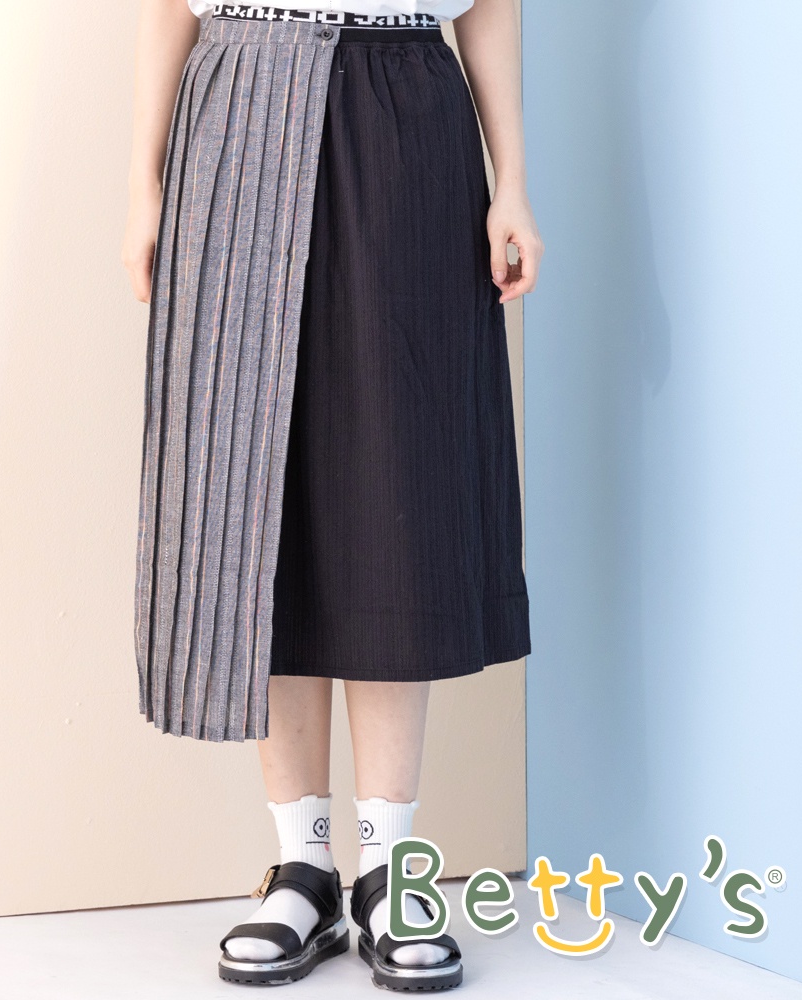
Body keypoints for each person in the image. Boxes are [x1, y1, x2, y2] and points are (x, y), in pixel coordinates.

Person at [122, 0, 543, 990]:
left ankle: (389, 867)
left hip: (408, 101)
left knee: (400, 481)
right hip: (236, 100)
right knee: (251, 487)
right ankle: (300, 866)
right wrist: (141, 180)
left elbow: (490, 3)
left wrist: (512, 181)